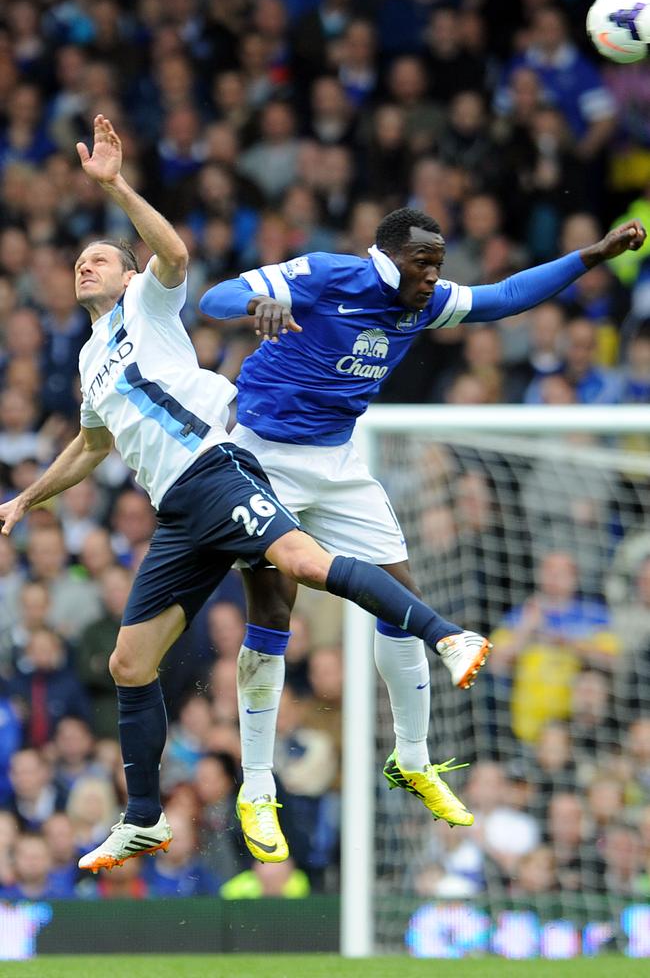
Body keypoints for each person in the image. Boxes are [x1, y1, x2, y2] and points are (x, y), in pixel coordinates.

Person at [0, 116, 495, 873]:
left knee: (300, 562)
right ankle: (143, 819)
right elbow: (89, 447)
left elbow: (176, 253)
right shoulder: (89, 362)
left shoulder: (148, 308)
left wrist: (116, 188)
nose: (84, 267)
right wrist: (23, 502)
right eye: (78, 263)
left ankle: (443, 634)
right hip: (178, 510)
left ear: (128, 277)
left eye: (99, 258)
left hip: (217, 465)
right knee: (130, 666)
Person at [200, 205, 645, 857]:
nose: (435, 274)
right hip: (265, 456)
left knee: (400, 598)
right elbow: (215, 297)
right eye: (424, 262)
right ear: (386, 259)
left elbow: (505, 297)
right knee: (273, 610)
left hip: (338, 459)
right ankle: (258, 787)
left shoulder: (425, 302)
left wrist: (591, 257)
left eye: (439, 261)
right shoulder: (328, 276)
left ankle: (412, 759)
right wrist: (256, 303)